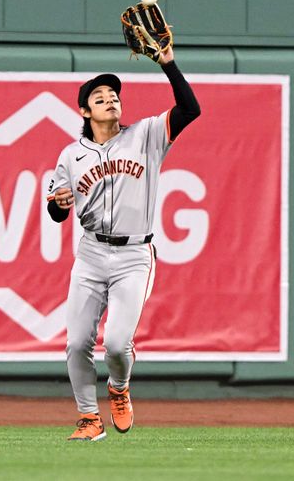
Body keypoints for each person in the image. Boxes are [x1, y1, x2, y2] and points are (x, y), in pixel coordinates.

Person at [46, 44, 201, 441]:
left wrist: (168, 63)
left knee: (116, 344)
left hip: (134, 254)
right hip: (91, 253)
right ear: (85, 112)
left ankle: (118, 389)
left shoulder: (146, 135)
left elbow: (189, 110)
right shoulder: (70, 155)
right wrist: (59, 205)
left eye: (114, 95)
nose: (110, 99)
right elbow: (58, 211)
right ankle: (88, 419)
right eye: (99, 98)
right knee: (78, 341)